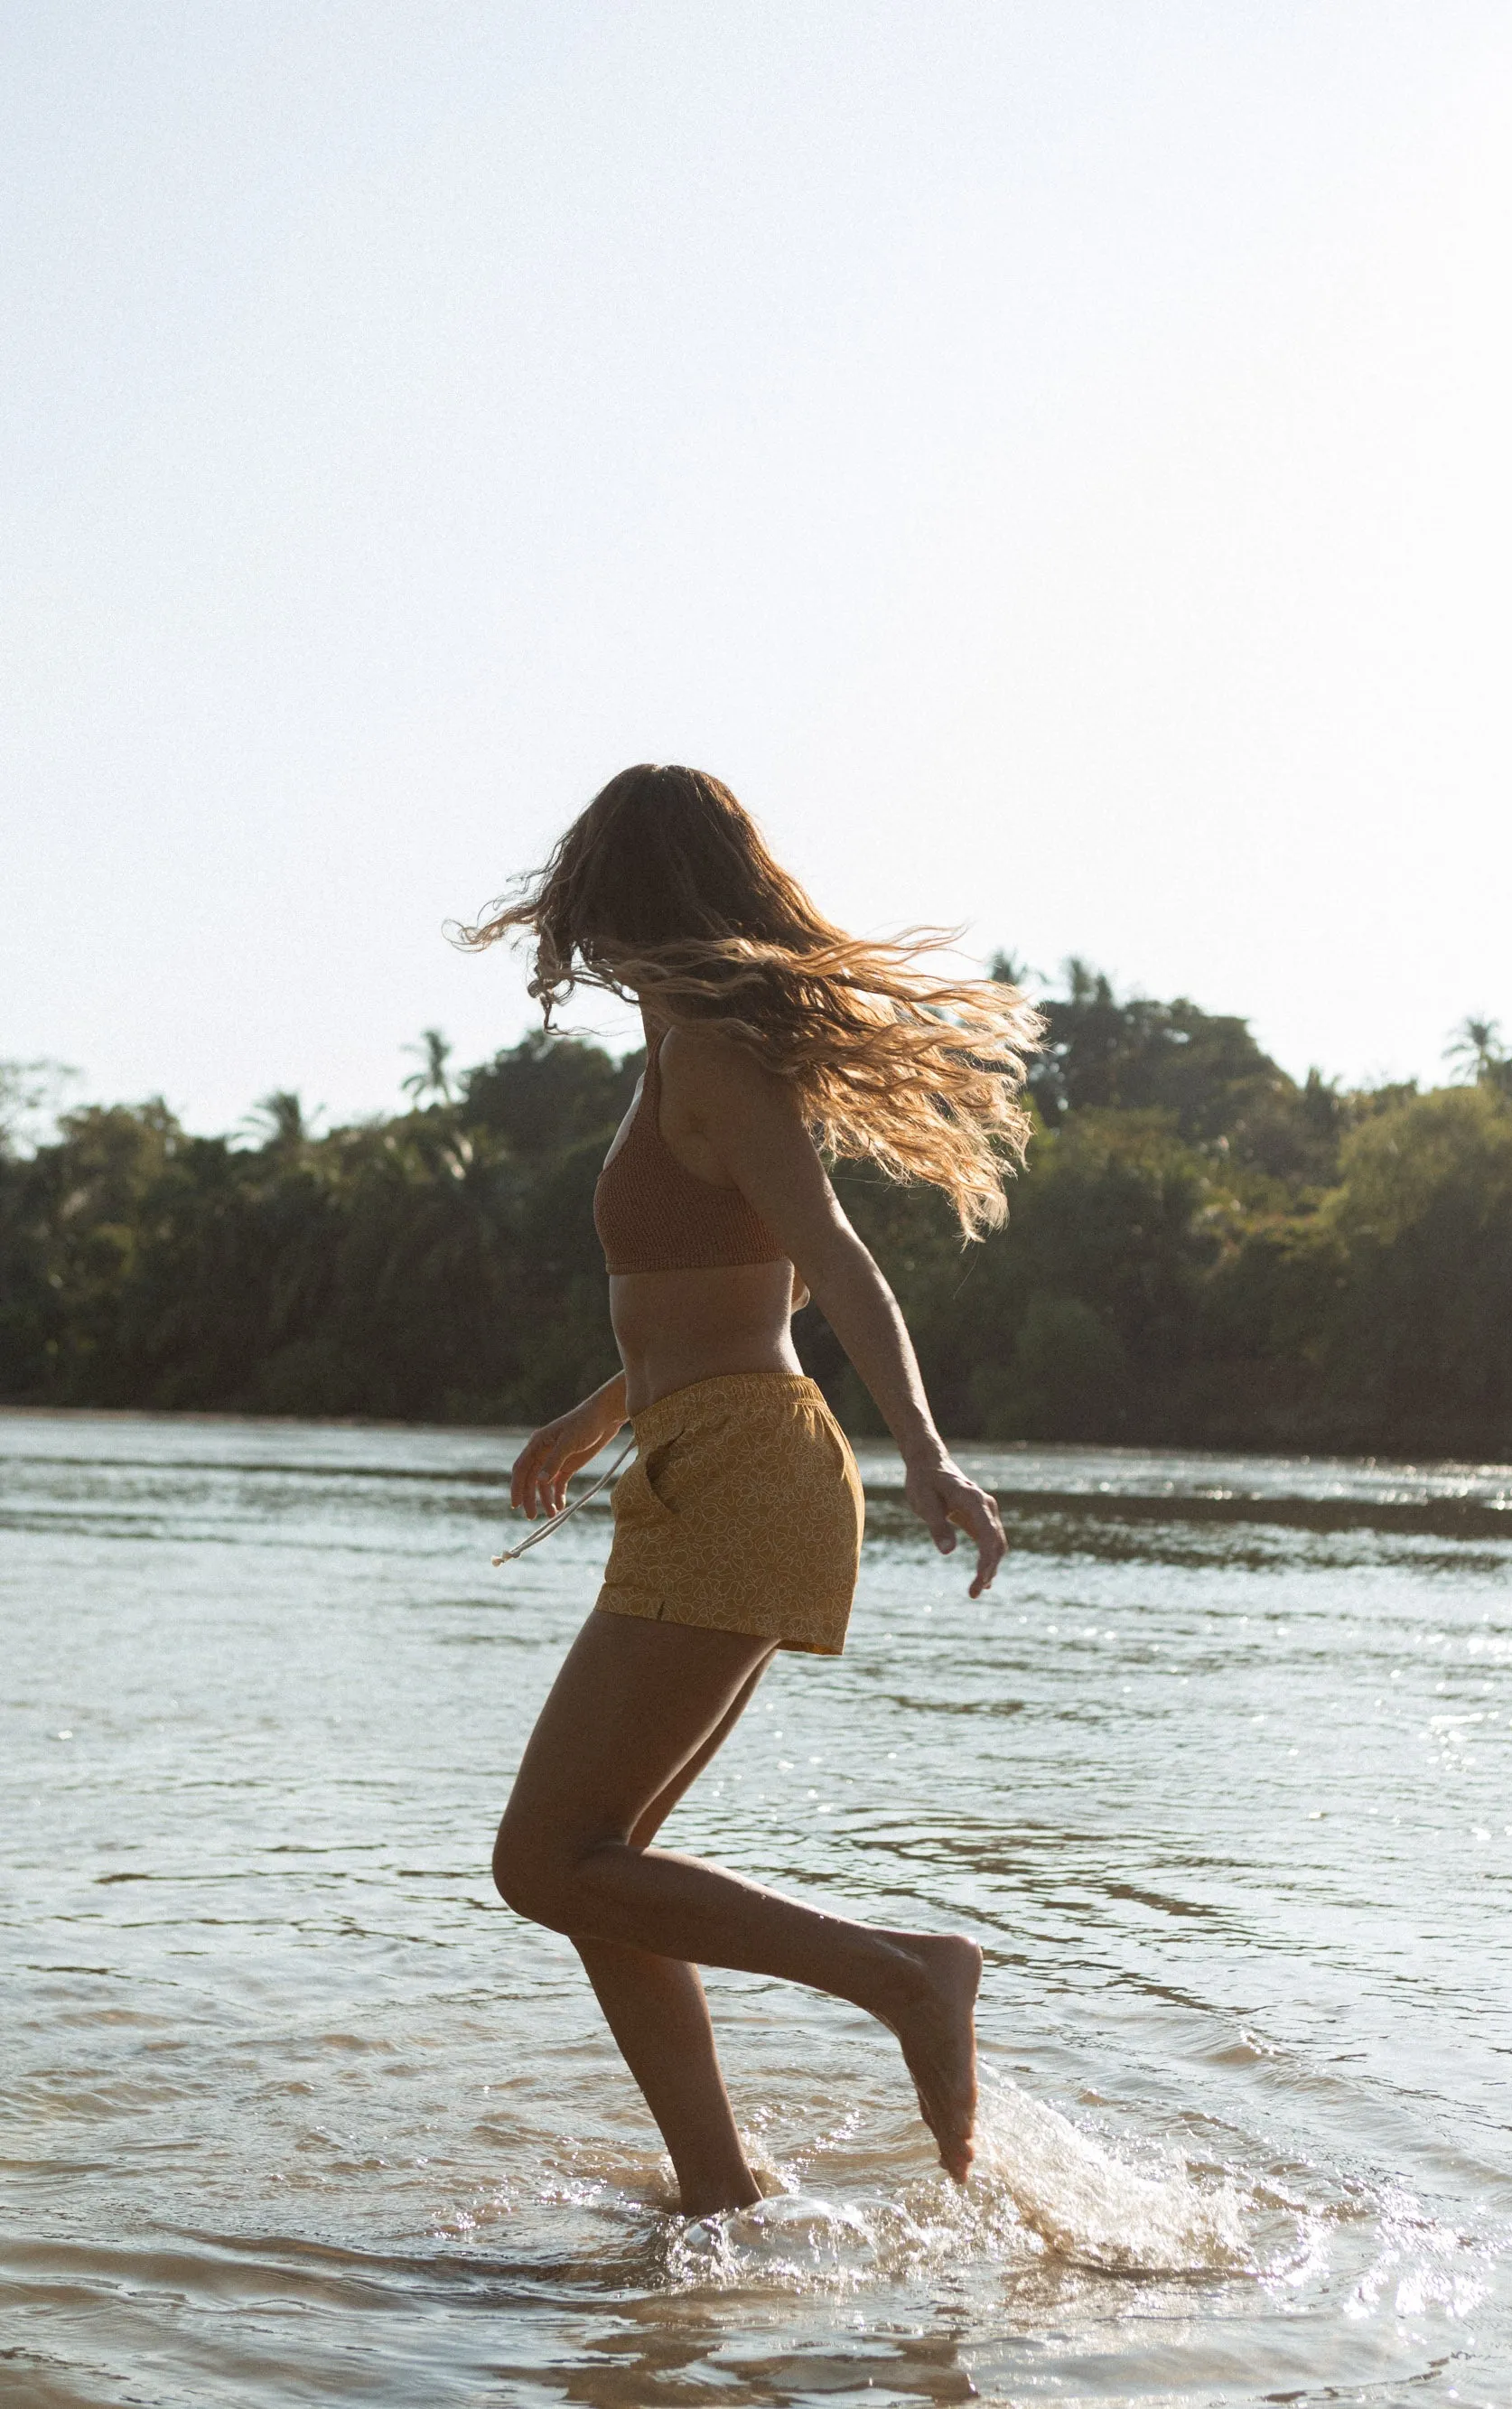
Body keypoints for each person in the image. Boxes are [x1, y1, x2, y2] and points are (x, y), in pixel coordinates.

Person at [461, 765, 1040, 2218]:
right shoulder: (675, 1045)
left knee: (545, 1858)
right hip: (695, 1462)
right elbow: (703, 1288)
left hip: (747, 1471)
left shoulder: (714, 1051)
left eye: (593, 911)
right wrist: (600, 1413)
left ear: (630, 897)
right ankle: (719, 2189)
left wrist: (924, 1439)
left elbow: (829, 1256)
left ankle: (908, 1974)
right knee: (601, 1866)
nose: (582, 946)